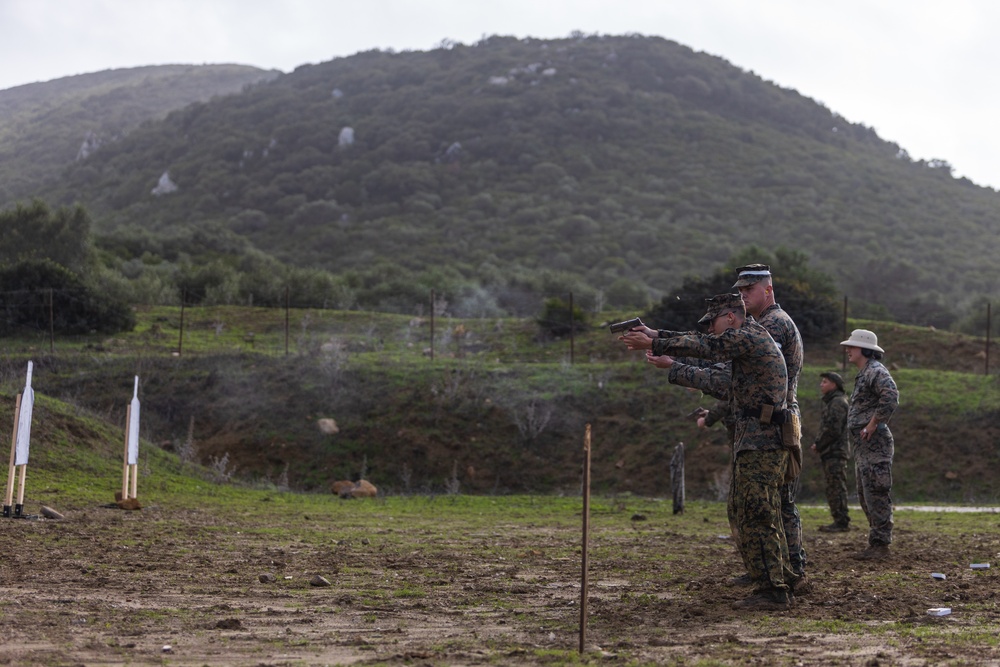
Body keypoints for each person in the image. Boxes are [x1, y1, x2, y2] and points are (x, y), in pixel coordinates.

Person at [620, 293, 797, 610]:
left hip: (762, 439)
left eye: (713, 322)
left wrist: (656, 341)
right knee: (755, 512)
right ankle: (777, 580)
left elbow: (707, 347)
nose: (711, 329)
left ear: (731, 317)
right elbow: (720, 377)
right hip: (756, 438)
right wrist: (659, 341)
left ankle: (774, 591)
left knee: (758, 514)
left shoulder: (749, 336)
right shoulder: (749, 342)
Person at [733, 264, 807, 579]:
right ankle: (783, 567)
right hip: (779, 420)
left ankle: (788, 568)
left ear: (768, 290)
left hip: (773, 424)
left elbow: (757, 376)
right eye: (740, 290)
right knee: (777, 502)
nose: (742, 295)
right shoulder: (767, 322)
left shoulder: (773, 324)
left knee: (774, 503)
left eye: (748, 289)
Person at [841, 329, 899, 560]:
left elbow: (891, 395)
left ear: (864, 349)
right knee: (866, 493)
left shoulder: (875, 371)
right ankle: (876, 542)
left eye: (852, 347)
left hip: (874, 443)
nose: (848, 350)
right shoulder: (865, 373)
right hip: (864, 445)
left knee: (875, 491)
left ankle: (880, 545)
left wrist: (874, 423)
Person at [811, 371, 851, 532]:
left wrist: (818, 444)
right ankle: (839, 520)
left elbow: (833, 429)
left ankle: (841, 522)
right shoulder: (833, 402)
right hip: (831, 451)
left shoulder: (838, 403)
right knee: (833, 486)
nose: (821, 385)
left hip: (835, 451)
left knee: (836, 486)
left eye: (825, 382)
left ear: (834, 385)